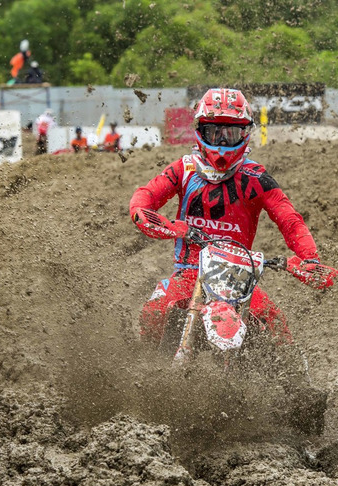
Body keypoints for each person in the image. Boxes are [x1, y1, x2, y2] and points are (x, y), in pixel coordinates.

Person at [129, 88, 326, 345]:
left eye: (230, 134)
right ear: (201, 131)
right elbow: (144, 198)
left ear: (244, 133)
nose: (222, 143)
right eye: (215, 133)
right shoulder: (184, 169)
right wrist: (166, 225)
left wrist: (309, 259)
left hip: (238, 281)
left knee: (274, 320)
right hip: (189, 274)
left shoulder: (256, 178)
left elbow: (290, 220)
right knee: (154, 311)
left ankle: (296, 382)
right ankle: (146, 365)